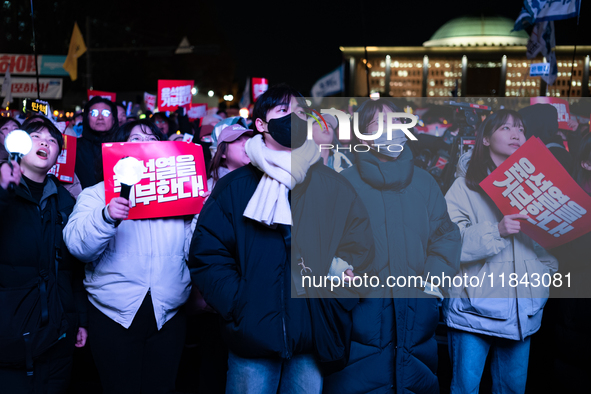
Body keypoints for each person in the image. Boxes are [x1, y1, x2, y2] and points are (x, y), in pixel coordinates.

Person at [189, 84, 374, 393]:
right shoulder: (234, 188)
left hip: (311, 333)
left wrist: (336, 296)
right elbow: (208, 254)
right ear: (261, 124)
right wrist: (239, 303)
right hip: (252, 336)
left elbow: (358, 244)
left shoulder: (333, 185)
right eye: (283, 112)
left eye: (301, 113)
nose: (294, 119)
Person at [323, 98, 461, 394]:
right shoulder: (343, 183)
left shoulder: (425, 183)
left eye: (398, 121)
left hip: (416, 314)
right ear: (363, 134)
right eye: (382, 123)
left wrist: (432, 286)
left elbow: (445, 236)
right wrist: (340, 272)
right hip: (361, 312)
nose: (393, 129)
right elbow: (323, 243)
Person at [63, 119, 192, 394]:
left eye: (152, 139)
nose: (145, 144)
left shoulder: (179, 198)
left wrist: (195, 217)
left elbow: (194, 253)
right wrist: (106, 217)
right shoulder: (97, 194)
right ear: (118, 150)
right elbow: (77, 246)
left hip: (168, 314)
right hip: (113, 315)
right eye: (135, 140)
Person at [443, 109, 558, 394]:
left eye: (519, 128)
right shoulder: (462, 187)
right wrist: (497, 231)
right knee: (465, 389)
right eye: (505, 128)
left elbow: (546, 245)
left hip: (522, 313)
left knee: (512, 390)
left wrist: (543, 278)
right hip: (473, 312)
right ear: (485, 138)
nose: (515, 133)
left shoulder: (536, 186)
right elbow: (448, 242)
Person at [0, 121, 87, 393]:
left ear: (58, 154)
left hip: (57, 334)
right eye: (35, 136)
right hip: (10, 331)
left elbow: (74, 269)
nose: (44, 143)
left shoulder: (65, 201)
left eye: (52, 141)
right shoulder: (4, 190)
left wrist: (79, 319)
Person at [75, 97, 119, 189]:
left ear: (114, 119)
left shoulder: (122, 146)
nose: (100, 117)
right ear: (86, 118)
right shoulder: (75, 147)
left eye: (106, 113)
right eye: (94, 113)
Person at [207, 123, 253, 190]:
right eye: (237, 139)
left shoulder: (263, 180)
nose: (246, 143)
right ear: (223, 152)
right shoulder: (211, 188)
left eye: (248, 139)